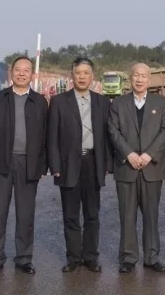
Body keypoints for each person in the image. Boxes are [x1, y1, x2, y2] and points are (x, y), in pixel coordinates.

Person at [0, 56, 48, 277]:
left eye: (26, 70)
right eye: (18, 70)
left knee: (26, 214)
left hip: (29, 164)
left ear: (32, 75)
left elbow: (45, 135)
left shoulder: (40, 101)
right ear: (11, 72)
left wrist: (43, 165)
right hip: (2, 162)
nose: (21, 74)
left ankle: (24, 258)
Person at [47, 57, 112, 273]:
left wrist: (107, 163)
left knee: (92, 214)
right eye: (78, 73)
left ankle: (91, 257)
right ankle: (73, 257)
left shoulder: (102, 102)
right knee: (71, 215)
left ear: (92, 76)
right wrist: (55, 165)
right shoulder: (59, 101)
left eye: (86, 73)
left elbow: (107, 136)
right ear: (72, 76)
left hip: (93, 163)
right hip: (68, 164)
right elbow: (52, 137)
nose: (82, 77)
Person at [108, 62, 165, 273]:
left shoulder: (161, 103)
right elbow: (113, 131)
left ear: (149, 79)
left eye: (144, 76)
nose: (140, 79)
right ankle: (128, 257)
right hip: (127, 167)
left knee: (151, 215)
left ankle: (152, 256)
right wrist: (130, 154)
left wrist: (148, 155)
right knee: (127, 215)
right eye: (136, 75)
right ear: (130, 77)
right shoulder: (118, 103)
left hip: (151, 167)